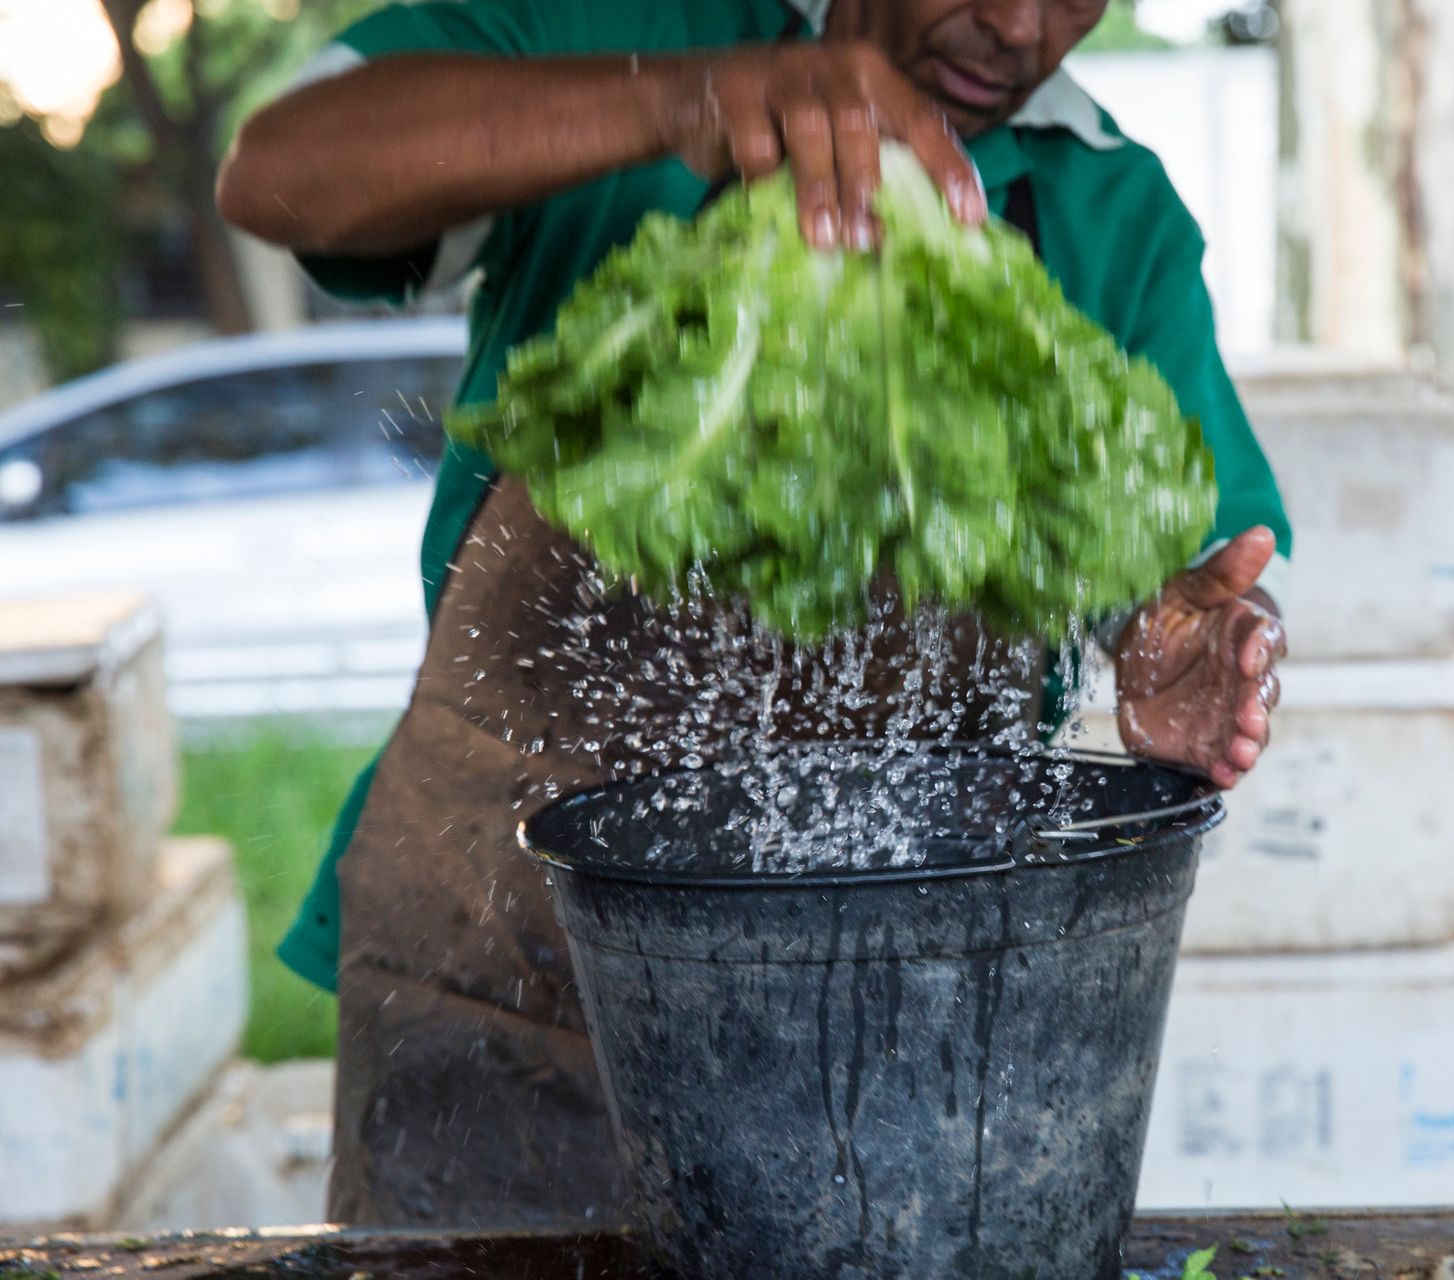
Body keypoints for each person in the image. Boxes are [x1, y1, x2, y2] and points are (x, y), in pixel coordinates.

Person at [218, 0, 1295, 1228]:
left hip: (908, 1020)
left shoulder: (1105, 201)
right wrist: (679, 96)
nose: (1015, 23)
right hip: (513, 971)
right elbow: (281, 175)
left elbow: (1206, 570)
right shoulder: (621, 27)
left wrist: (1175, 647)